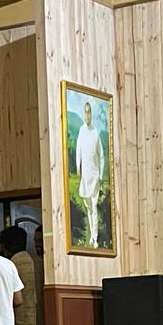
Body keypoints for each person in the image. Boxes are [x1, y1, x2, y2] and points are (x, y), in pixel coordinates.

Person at [76, 101, 104, 247]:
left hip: (94, 175)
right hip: (85, 175)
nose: (87, 115)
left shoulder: (95, 132)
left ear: (91, 114)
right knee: (89, 207)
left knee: (94, 206)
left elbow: (101, 155)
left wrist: (100, 175)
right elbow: (78, 151)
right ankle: (92, 235)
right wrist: (78, 168)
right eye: (85, 112)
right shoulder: (81, 131)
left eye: (89, 112)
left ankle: (95, 237)